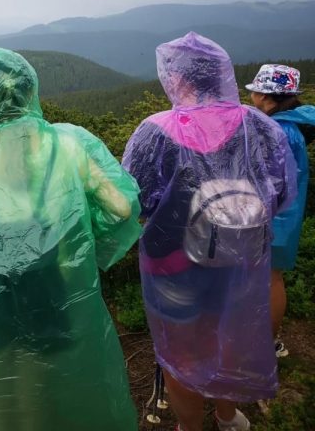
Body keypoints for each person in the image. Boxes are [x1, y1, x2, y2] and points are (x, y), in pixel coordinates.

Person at [0, 47, 142, 431]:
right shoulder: (67, 144)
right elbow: (122, 209)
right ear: (31, 92)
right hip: (52, 284)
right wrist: (81, 230)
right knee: (45, 378)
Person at [123, 32, 297, 431]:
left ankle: (190, 426)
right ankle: (228, 417)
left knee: (182, 353)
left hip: (172, 268)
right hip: (241, 257)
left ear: (178, 80)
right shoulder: (261, 127)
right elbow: (281, 193)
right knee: (228, 337)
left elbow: (135, 201)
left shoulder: (154, 131)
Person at [246, 64, 315, 357]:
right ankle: (266, 340)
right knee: (273, 278)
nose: (251, 95)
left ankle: (264, 346)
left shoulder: (275, 130)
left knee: (268, 279)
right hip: (285, 216)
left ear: (267, 96)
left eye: (255, 91)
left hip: (271, 217)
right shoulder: (290, 125)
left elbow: (261, 179)